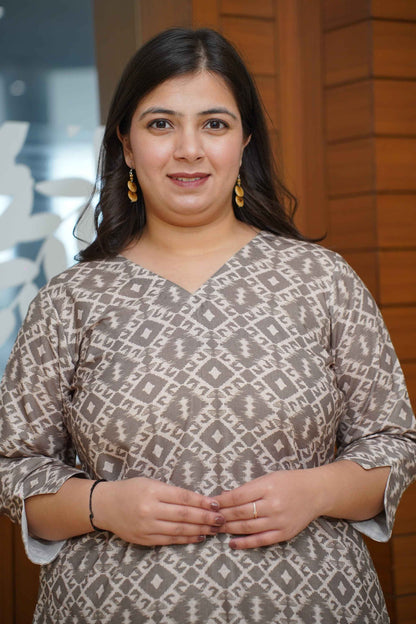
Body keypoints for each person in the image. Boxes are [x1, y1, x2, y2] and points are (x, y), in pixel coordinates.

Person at [0, 27, 415, 624]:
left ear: (245, 141)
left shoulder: (322, 280)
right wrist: (101, 505)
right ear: (126, 144)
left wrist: (317, 490)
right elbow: (15, 468)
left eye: (214, 124)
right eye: (161, 124)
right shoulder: (70, 299)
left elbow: (394, 442)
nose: (189, 149)